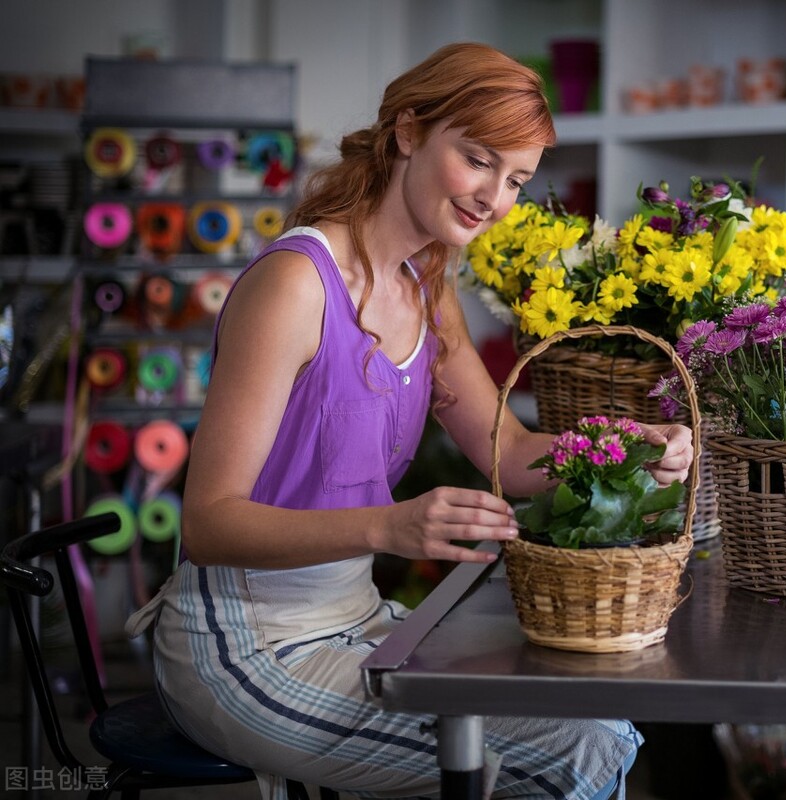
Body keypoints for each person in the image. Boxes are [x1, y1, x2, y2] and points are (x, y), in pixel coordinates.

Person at [125, 42, 693, 799]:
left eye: (517, 179)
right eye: (478, 159)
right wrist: (384, 527)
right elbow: (207, 524)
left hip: (357, 620)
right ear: (406, 131)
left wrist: (621, 447)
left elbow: (513, 454)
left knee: (595, 722)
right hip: (245, 646)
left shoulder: (427, 288)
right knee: (576, 752)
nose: (494, 198)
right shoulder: (297, 286)